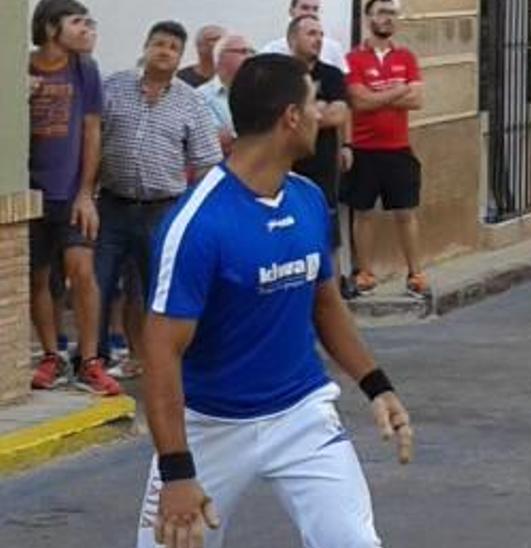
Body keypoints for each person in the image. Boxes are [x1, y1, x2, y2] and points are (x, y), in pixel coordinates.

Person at [135, 53, 414, 548]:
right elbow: (160, 353)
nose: (322, 113)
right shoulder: (197, 225)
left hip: (301, 413)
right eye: (314, 103)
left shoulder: (307, 199)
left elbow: (325, 303)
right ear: (290, 118)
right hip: (209, 427)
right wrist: (177, 473)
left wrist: (377, 386)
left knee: (353, 542)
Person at [96, 21, 224, 387]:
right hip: (112, 205)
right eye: (159, 44)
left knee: (156, 290)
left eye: (172, 47)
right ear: (146, 47)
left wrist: (196, 213)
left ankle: (158, 360)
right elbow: (92, 138)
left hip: (162, 210)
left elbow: (206, 161)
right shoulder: (114, 87)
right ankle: (95, 361)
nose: (164, 51)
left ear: (180, 56)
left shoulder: (191, 101)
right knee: (98, 283)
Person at [27, 0, 117, 395]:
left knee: (82, 270)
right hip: (30, 191)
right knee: (38, 277)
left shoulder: (86, 70)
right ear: (50, 28)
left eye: (91, 22)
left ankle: (91, 360)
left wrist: (85, 192)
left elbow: (92, 131)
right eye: (78, 22)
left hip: (70, 192)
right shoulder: (22, 67)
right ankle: (51, 355)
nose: (88, 29)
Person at [344, 0, 430, 297]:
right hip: (363, 148)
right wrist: (397, 90)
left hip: (398, 148)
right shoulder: (353, 59)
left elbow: (417, 100)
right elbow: (359, 102)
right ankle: (365, 272)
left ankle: (415, 273)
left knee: (406, 212)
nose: (387, 18)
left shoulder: (406, 57)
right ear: (368, 17)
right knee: (363, 212)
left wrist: (376, 94)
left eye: (391, 13)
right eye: (381, 12)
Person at [289, 14, 350, 251]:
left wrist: (299, 114)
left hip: (322, 167)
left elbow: (339, 115)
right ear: (293, 38)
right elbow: (275, 118)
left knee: (327, 238)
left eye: (321, 34)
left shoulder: (332, 75)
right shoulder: (283, 74)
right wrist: (318, 108)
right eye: (311, 34)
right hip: (288, 167)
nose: (319, 39)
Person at [197, 33, 255, 153]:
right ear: (220, 57)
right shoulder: (200, 97)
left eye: (252, 51)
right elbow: (213, 140)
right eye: (243, 52)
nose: (250, 57)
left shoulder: (263, 91)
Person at [261, 0, 349, 72]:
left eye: (315, 9)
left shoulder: (334, 48)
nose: (310, 13)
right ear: (291, 11)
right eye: (305, 8)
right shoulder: (272, 49)